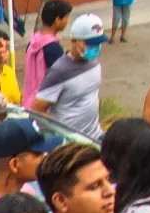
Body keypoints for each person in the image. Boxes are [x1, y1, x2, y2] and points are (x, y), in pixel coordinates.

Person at [32, 13, 107, 142]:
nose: (95, 48)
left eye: (98, 43)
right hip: (71, 143)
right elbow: (37, 108)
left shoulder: (94, 61)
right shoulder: (59, 71)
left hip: (95, 136)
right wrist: (60, 134)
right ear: (73, 40)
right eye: (89, 43)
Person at [23, 0, 73, 107]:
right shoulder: (53, 48)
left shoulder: (32, 42)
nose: (67, 21)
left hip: (28, 101)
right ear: (57, 20)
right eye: (66, 17)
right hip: (43, 106)